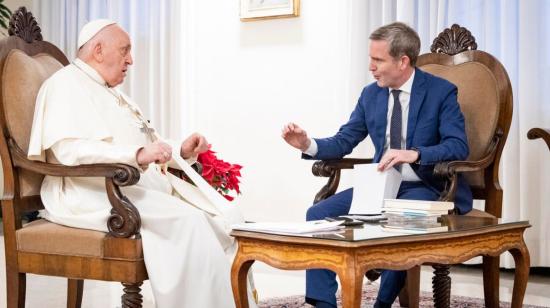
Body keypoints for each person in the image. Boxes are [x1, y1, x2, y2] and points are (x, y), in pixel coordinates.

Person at [28, 20, 256, 308]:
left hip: (124, 188)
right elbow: (70, 151)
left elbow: (147, 141)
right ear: (98, 50)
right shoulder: (63, 85)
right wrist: (135, 155)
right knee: (190, 223)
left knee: (224, 218)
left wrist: (181, 150)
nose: (130, 60)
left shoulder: (112, 93)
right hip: (86, 192)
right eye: (125, 50)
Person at [282, 22, 472, 308]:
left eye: (378, 60)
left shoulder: (441, 92)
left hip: (426, 186)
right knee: (318, 214)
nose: (370, 67)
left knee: (398, 223)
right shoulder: (371, 95)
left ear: (403, 61)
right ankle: (323, 304)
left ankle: (380, 305)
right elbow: (345, 140)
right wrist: (307, 144)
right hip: (381, 185)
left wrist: (415, 154)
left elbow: (458, 146)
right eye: (370, 58)